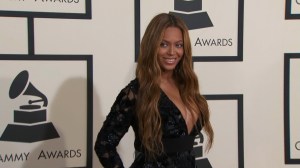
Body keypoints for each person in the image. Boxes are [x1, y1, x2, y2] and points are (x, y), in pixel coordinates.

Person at [94, 13, 214, 168]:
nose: (172, 52)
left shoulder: (187, 86)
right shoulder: (136, 92)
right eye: (163, 44)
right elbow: (104, 145)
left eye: (178, 45)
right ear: (152, 46)